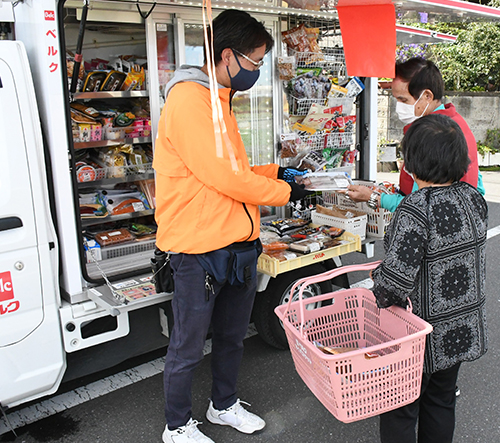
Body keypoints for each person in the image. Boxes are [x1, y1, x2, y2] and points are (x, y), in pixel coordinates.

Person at [153, 9, 310, 443]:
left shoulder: (219, 99)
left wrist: (278, 172)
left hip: (238, 245)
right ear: (227, 55)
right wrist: (285, 193)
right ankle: (177, 426)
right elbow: (222, 177)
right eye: (256, 61)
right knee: (186, 347)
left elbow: (233, 168)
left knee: (231, 337)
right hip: (197, 249)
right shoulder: (189, 100)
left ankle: (222, 406)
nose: (258, 71)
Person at [371, 114, 488, 443]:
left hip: (417, 336)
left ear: (413, 161)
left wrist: (376, 281)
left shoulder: (415, 209)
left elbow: (393, 284)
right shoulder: (473, 199)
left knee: (400, 407)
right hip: (458, 331)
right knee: (441, 400)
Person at [347, 57, 485, 211]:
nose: (398, 107)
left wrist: (374, 198)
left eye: (403, 100)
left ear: (427, 96)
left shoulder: (434, 136)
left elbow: (420, 208)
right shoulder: (454, 124)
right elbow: (477, 185)